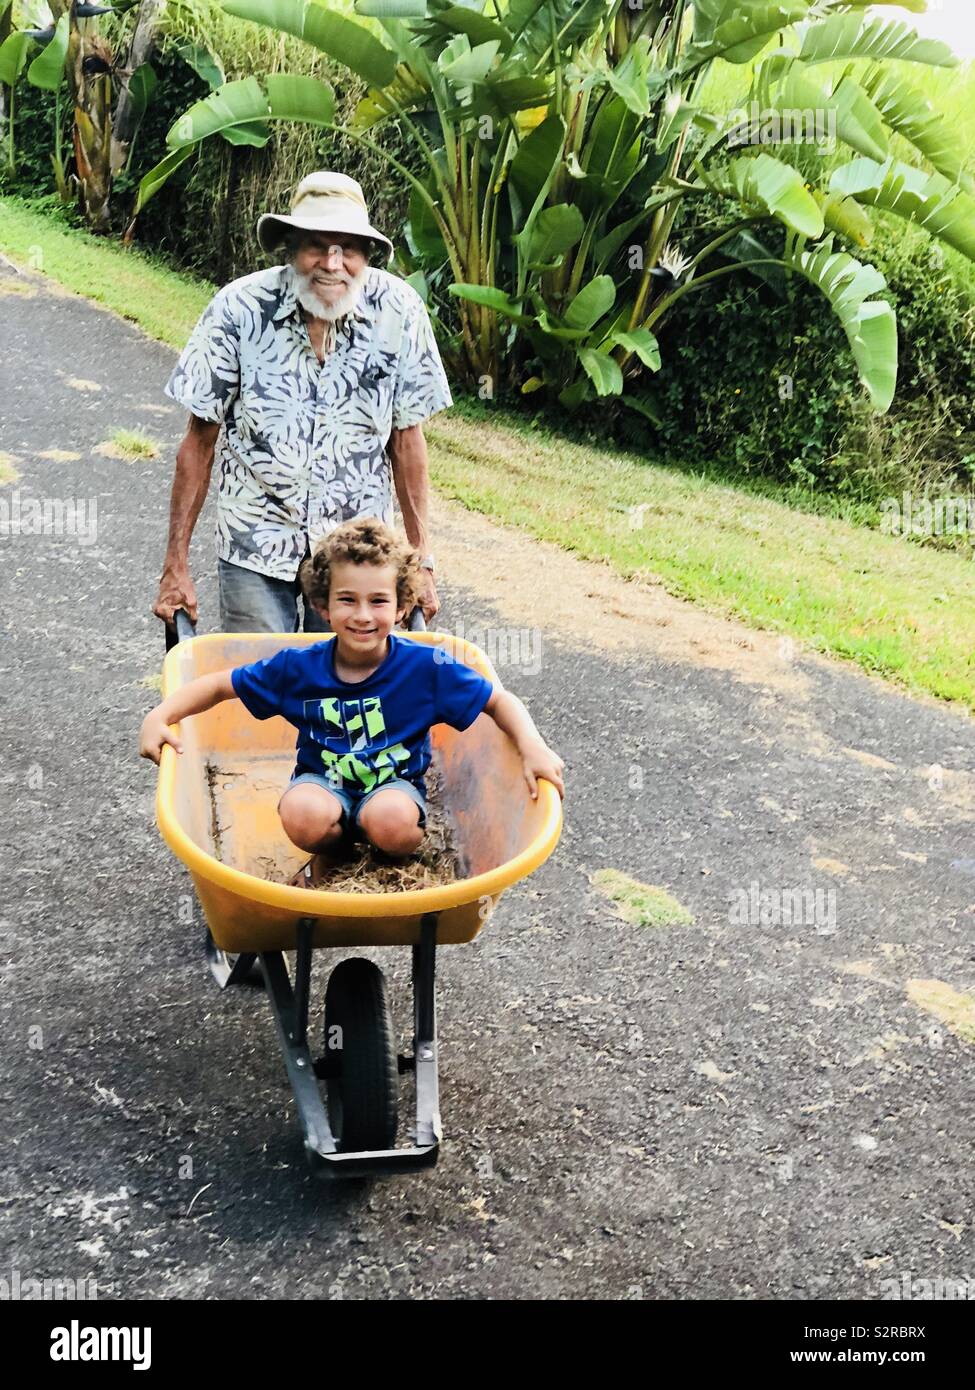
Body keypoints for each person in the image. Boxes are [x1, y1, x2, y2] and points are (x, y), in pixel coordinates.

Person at [140, 520, 565, 875]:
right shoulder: (299, 669)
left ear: (402, 605)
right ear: (323, 605)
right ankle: (335, 853)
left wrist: (532, 747)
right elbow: (219, 685)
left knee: (391, 821)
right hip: (323, 784)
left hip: (394, 789)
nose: (363, 615)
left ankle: (385, 861)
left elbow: (498, 701)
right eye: (348, 600)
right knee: (301, 813)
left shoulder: (425, 669)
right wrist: (160, 715)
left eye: (378, 601)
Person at [152, 170, 452, 636]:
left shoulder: (401, 313)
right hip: (255, 539)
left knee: (343, 700)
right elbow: (199, 442)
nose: (332, 263)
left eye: (348, 248)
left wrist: (421, 562)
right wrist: (176, 564)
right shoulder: (239, 310)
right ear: (291, 247)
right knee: (260, 694)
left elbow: (407, 442)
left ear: (367, 255)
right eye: (317, 244)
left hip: (356, 557)